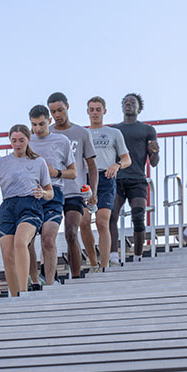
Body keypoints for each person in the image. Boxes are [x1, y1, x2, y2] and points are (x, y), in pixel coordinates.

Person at [0, 124, 53, 297]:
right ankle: (15, 296)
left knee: (20, 242)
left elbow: (50, 192)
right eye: (14, 140)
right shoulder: (1, 162)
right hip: (8, 207)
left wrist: (43, 193)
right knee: (7, 255)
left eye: (21, 140)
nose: (17, 144)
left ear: (28, 140)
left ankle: (24, 292)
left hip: (30, 205)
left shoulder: (38, 162)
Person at [48, 92, 97, 279]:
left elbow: (92, 167)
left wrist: (93, 191)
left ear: (68, 107)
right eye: (53, 111)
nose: (57, 115)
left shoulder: (81, 133)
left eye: (60, 110)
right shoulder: (47, 132)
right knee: (47, 237)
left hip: (74, 191)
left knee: (70, 232)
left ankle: (76, 277)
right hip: (51, 191)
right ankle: (47, 277)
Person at [27, 105, 76, 287]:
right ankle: (34, 282)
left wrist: (54, 172)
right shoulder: (26, 141)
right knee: (28, 241)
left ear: (49, 121)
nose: (38, 129)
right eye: (34, 125)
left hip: (53, 193)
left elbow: (73, 172)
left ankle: (49, 283)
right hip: (30, 195)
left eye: (41, 124)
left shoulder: (61, 140)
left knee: (48, 239)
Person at [80, 96, 131, 272]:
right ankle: (93, 263)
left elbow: (126, 159)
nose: (95, 113)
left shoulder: (114, 133)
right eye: (92, 109)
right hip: (85, 180)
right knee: (84, 221)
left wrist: (117, 165)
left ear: (104, 111)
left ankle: (104, 266)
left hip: (106, 179)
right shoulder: (82, 133)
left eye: (98, 109)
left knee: (102, 222)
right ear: (87, 111)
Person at [109, 93, 159, 264]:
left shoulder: (147, 130)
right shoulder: (114, 130)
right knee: (111, 215)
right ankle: (113, 256)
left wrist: (155, 152)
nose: (128, 104)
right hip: (117, 178)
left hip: (137, 179)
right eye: (125, 102)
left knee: (138, 217)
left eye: (132, 102)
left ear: (139, 108)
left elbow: (153, 162)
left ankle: (138, 257)